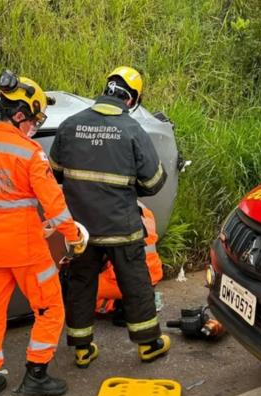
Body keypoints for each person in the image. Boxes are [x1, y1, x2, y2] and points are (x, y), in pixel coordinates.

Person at [0, 71, 86, 396]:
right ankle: (36, 374)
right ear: (20, 114)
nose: (33, 127)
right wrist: (73, 236)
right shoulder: (30, 153)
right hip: (26, 248)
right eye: (34, 119)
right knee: (50, 308)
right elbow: (53, 204)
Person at [50, 66, 170, 368]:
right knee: (135, 282)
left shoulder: (70, 125)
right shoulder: (132, 131)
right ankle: (148, 345)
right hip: (121, 227)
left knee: (81, 282)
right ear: (132, 100)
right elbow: (153, 183)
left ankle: (81, 348)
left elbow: (55, 172)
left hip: (81, 229)